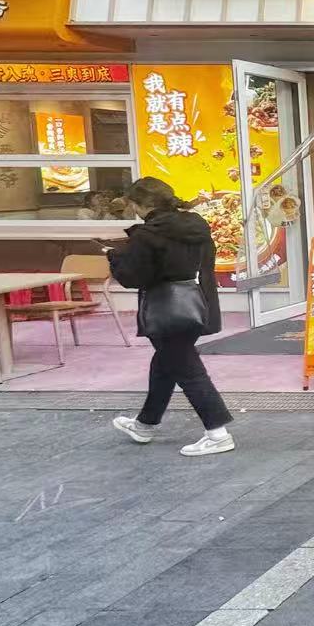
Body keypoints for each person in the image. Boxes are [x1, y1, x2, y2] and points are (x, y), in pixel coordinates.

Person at [106, 178, 233, 456]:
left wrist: (114, 257)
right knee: (165, 364)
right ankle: (145, 424)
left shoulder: (146, 235)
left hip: (165, 309)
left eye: (133, 205)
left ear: (141, 205)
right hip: (197, 304)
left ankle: (217, 433)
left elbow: (132, 277)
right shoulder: (196, 224)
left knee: (187, 370)